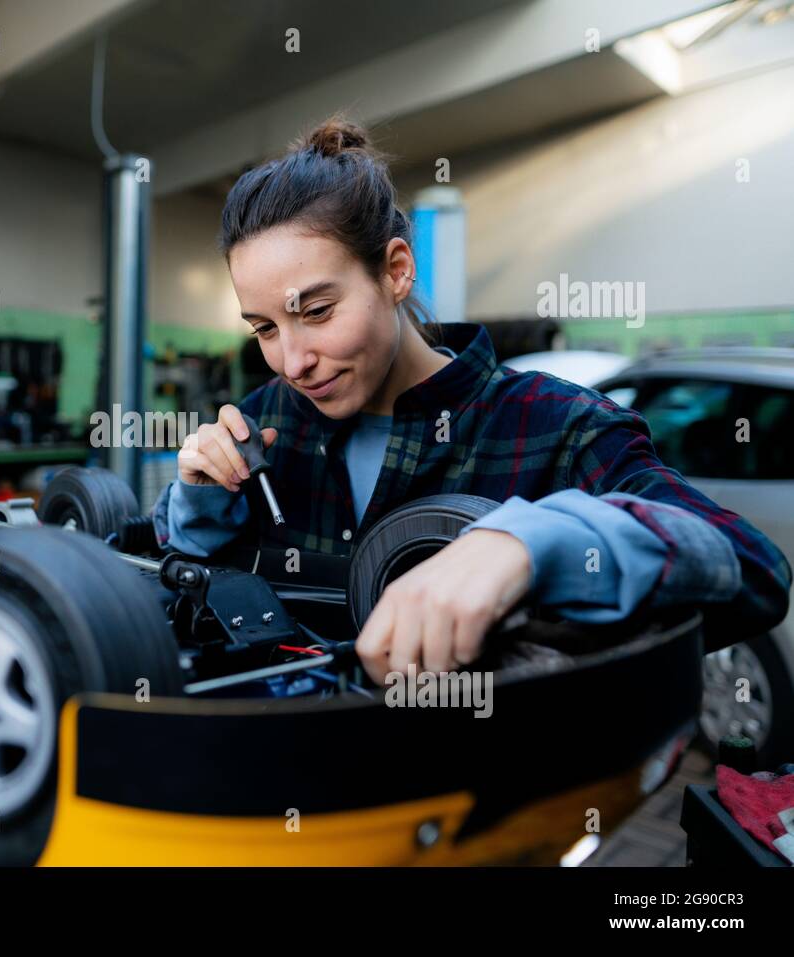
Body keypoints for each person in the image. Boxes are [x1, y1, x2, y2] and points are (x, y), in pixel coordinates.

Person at [151, 118, 791, 685]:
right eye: (265, 328)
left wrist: (535, 543)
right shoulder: (266, 420)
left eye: (316, 311)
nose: (292, 362)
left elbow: (752, 568)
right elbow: (166, 569)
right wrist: (202, 507)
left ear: (396, 270)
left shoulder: (557, 427)